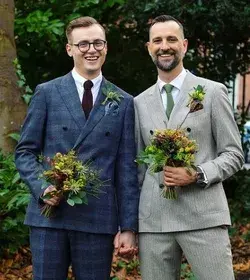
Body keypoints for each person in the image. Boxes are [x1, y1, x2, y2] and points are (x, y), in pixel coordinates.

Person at [15, 16, 139, 280]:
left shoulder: (124, 102)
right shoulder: (46, 93)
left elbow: (126, 169)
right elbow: (24, 151)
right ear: (69, 49)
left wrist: (128, 226)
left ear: (106, 48)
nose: (91, 50)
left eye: (97, 43)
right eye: (83, 44)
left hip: (98, 219)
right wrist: (42, 187)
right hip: (50, 217)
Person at [134, 15, 244, 280]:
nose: (164, 46)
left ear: (184, 45)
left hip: (203, 216)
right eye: (157, 40)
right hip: (154, 220)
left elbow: (234, 154)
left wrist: (197, 174)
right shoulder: (138, 102)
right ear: (149, 48)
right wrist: (131, 223)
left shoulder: (212, 92)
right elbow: (137, 167)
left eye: (171, 39)